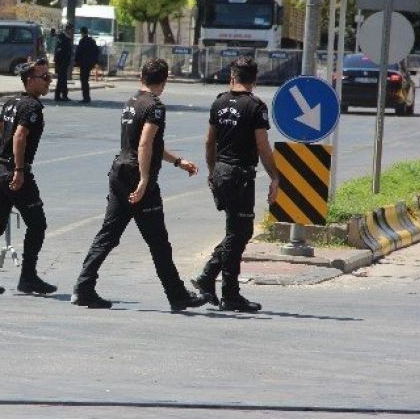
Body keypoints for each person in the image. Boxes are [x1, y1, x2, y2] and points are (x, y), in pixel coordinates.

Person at [71, 59, 209, 311]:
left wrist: (177, 161)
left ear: (142, 77)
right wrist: (145, 180)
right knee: (158, 241)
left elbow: (147, 145)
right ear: (164, 81)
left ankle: (83, 287)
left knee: (109, 234)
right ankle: (177, 295)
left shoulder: (132, 101)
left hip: (120, 170)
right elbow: (145, 144)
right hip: (137, 175)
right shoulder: (155, 106)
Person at [190, 56, 279, 312]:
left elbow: (209, 142)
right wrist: (275, 177)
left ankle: (219, 287)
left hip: (221, 172)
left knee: (238, 231)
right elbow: (263, 146)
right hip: (239, 176)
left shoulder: (218, 102)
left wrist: (211, 171)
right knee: (239, 233)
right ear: (255, 79)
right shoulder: (256, 106)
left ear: (232, 76)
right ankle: (218, 285)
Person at [0, 58, 57, 295]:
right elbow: (19, 137)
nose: (49, 81)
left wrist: (9, 120)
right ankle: (28, 278)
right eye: (44, 77)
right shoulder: (31, 107)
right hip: (13, 171)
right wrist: (19, 171)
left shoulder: (12, 102)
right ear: (30, 81)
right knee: (37, 224)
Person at [74, 26, 100, 103]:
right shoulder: (92, 41)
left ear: (82, 33)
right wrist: (94, 62)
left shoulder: (82, 41)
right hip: (89, 64)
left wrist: (76, 62)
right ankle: (87, 97)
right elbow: (97, 51)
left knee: (84, 80)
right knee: (86, 80)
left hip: (83, 64)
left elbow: (78, 52)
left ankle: (86, 97)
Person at [54, 23, 73, 102]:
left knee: (61, 79)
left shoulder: (66, 37)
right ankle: (63, 95)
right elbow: (59, 51)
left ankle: (58, 95)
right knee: (63, 79)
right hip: (61, 62)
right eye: (71, 29)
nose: (71, 31)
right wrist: (58, 62)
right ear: (68, 29)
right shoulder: (63, 37)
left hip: (64, 62)